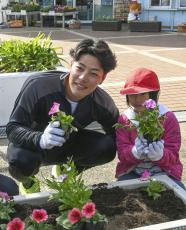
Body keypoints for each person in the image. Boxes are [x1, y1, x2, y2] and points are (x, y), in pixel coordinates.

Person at [6, 38, 119, 194]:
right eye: (80, 68)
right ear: (71, 64)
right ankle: (29, 183)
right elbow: (13, 128)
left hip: (69, 144)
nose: (82, 78)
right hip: (33, 147)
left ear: (102, 78)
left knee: (107, 147)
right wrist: (40, 139)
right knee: (19, 162)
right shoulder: (39, 86)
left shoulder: (103, 103)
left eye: (93, 73)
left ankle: (66, 170)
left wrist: (140, 151)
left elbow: (116, 135)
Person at [115, 67, 185, 189]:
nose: (137, 100)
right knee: (119, 192)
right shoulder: (125, 120)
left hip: (165, 172)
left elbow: (173, 154)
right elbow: (122, 153)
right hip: (132, 172)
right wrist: (134, 152)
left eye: (142, 94)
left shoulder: (167, 117)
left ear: (153, 94)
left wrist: (161, 155)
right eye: (132, 95)